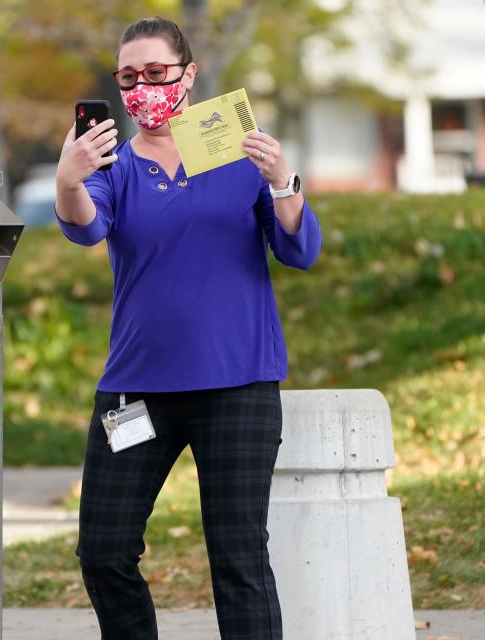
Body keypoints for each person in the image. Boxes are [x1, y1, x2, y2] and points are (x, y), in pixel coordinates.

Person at [53, 16, 323, 640]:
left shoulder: (236, 152)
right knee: (103, 550)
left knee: (238, 558)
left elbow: (300, 251)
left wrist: (283, 180)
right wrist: (69, 177)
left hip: (238, 388)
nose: (142, 87)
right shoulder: (112, 164)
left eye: (155, 73)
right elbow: (86, 227)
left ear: (189, 74)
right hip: (136, 391)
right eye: (128, 78)